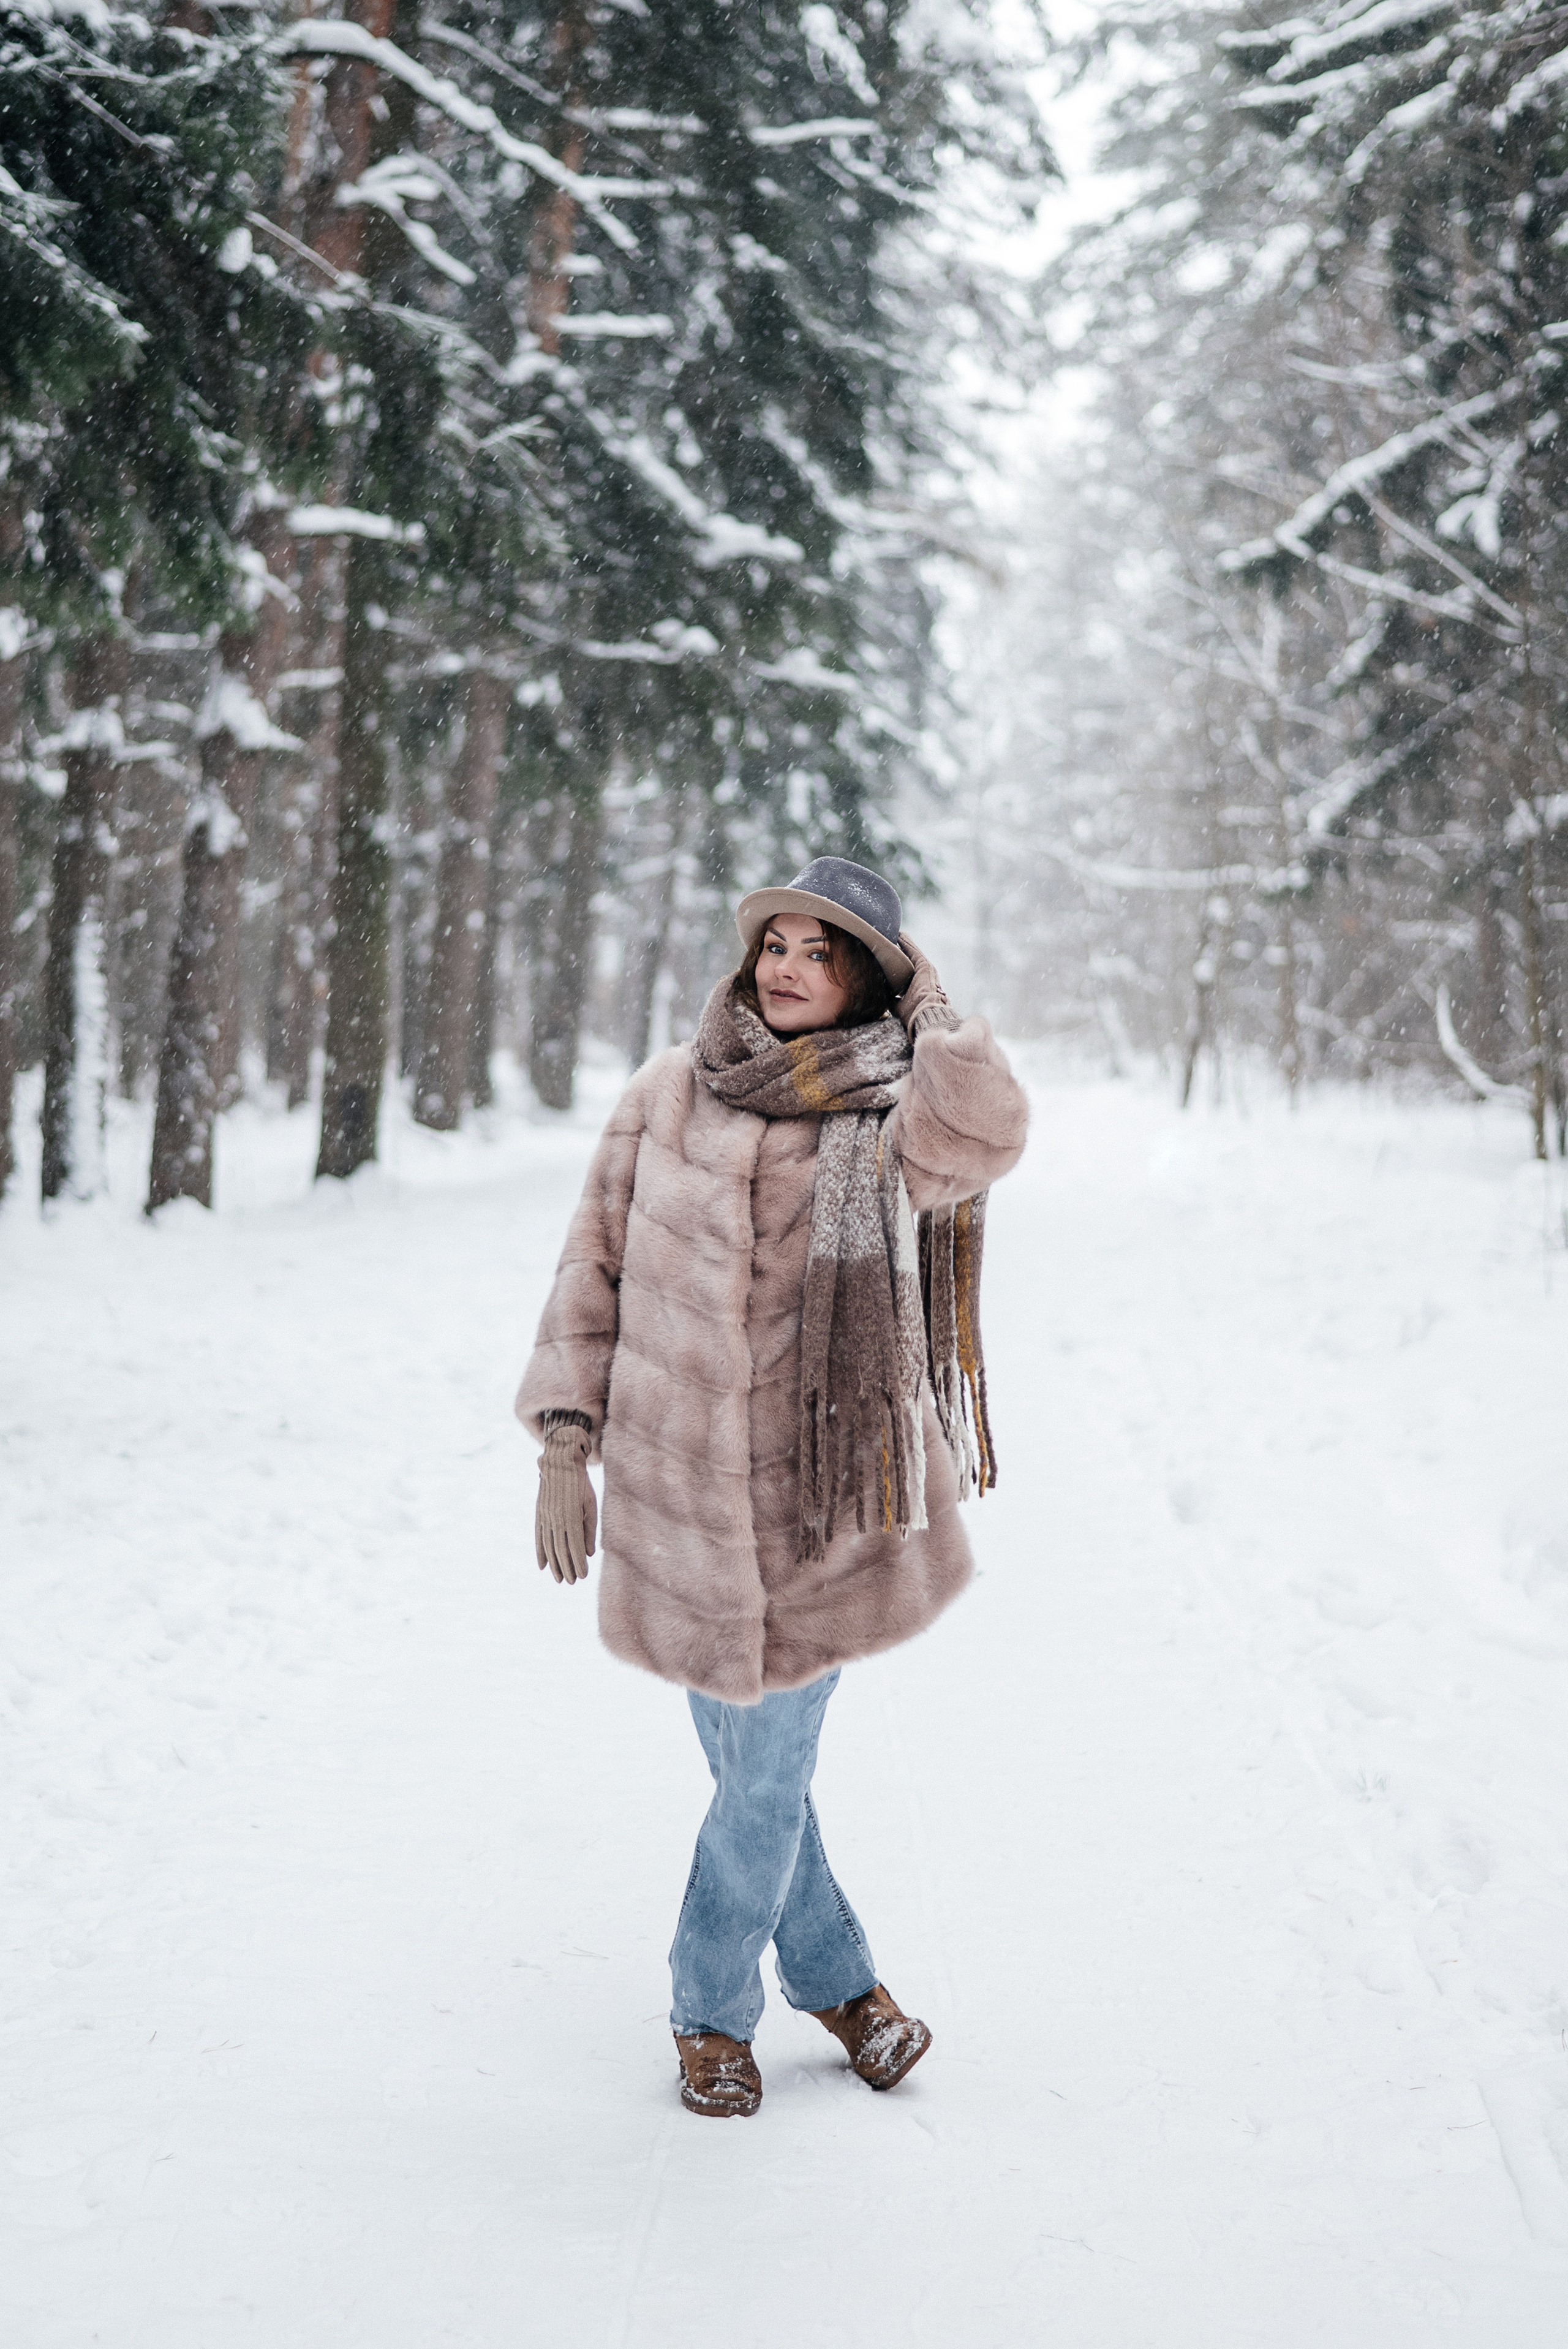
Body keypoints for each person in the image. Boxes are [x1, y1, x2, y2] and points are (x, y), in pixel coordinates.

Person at [517, 856, 1028, 2117]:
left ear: (864, 980)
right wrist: (560, 1442)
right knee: (764, 1777)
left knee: (761, 1773)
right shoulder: (662, 1099)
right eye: (774, 946)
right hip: (676, 1503)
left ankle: (708, 2012)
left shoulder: (891, 1115)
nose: (786, 967)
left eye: (820, 951)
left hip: (823, 1507)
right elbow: (592, 1268)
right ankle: (842, 1984)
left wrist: (933, 1021)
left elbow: (989, 1134)